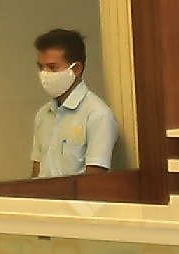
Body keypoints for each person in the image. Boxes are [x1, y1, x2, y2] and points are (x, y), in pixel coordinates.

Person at [27, 27, 120, 178]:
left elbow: (95, 179)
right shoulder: (43, 115)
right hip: (44, 194)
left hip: (77, 194)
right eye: (41, 67)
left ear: (76, 69)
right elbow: (36, 171)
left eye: (52, 67)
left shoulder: (98, 115)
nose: (44, 74)